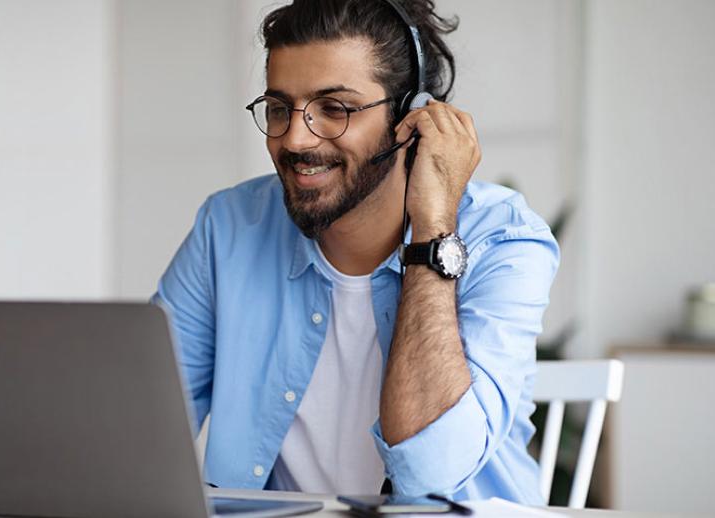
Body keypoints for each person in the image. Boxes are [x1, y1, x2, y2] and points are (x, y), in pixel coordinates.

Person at [152, 0, 558, 504]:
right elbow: (138, 434)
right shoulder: (229, 227)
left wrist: (432, 228)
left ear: (411, 118)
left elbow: (432, 471)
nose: (296, 139)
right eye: (280, 108)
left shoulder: (504, 238)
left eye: (335, 109)